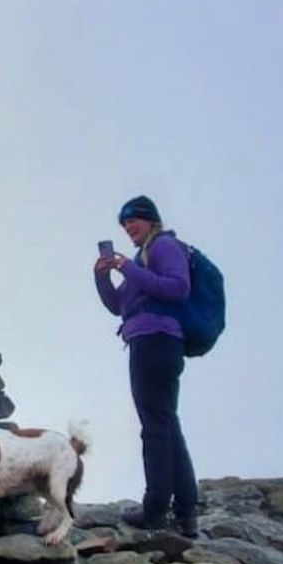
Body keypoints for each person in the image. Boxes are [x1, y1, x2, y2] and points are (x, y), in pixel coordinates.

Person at [93, 195, 198, 537]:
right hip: (152, 341)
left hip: (156, 341)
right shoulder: (142, 257)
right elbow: (119, 304)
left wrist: (128, 268)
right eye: (124, 224)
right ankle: (185, 514)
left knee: (154, 427)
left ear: (152, 220)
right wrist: (103, 277)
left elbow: (178, 288)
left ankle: (155, 509)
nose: (128, 227)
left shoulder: (164, 246)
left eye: (134, 220)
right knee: (166, 424)